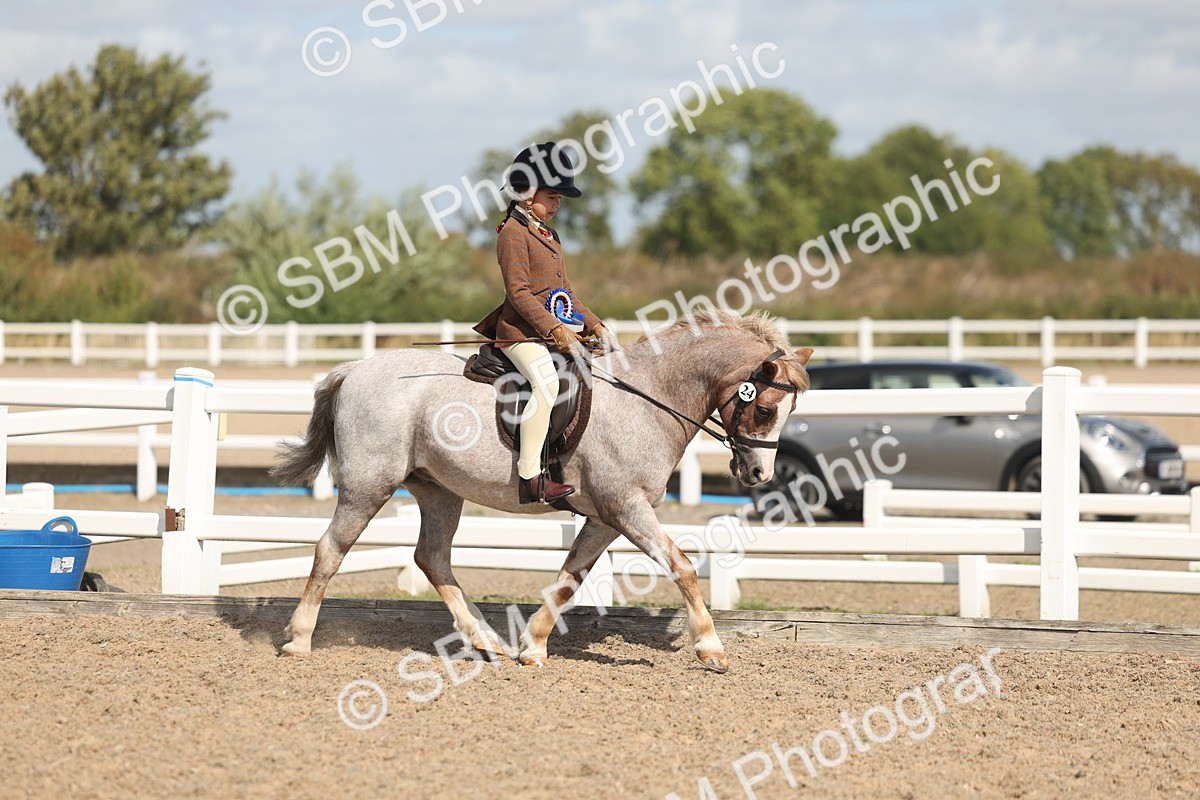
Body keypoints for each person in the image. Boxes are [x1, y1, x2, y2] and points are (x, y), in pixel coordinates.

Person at [473, 141, 618, 504]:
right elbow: (519, 293)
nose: (557, 205)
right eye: (552, 197)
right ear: (526, 192)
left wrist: (595, 325)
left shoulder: (548, 235)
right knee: (548, 383)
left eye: (559, 199)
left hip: (551, 334)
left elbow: (564, 292)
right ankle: (530, 478)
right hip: (520, 335)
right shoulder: (512, 233)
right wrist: (556, 330)